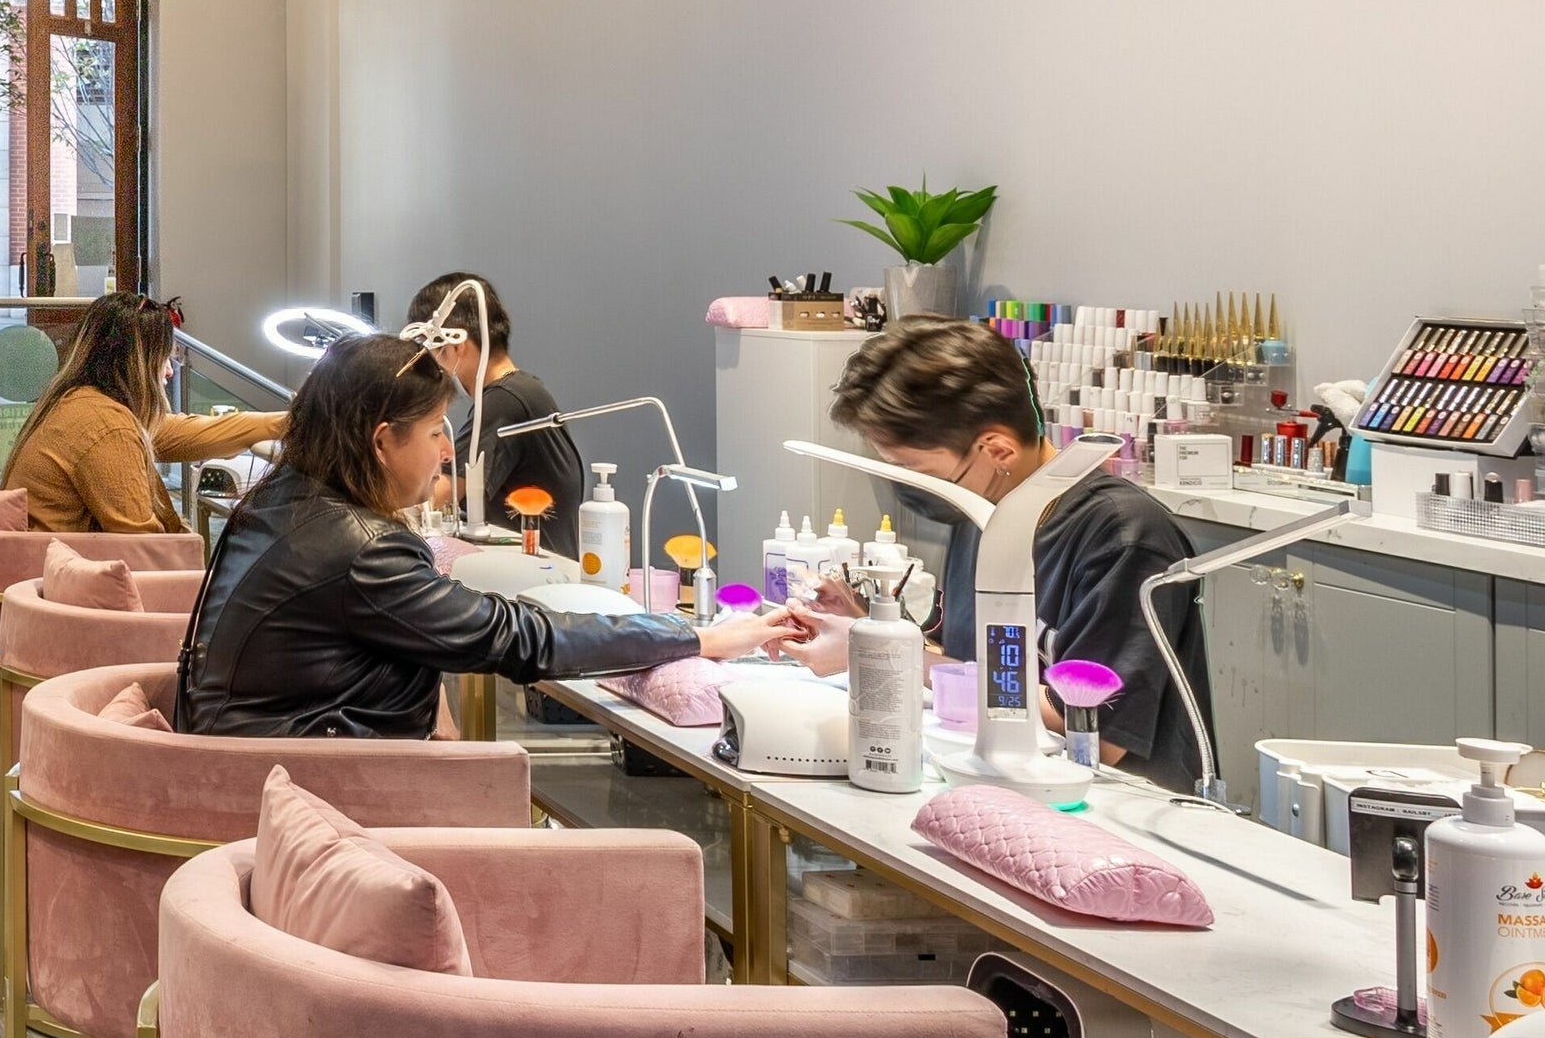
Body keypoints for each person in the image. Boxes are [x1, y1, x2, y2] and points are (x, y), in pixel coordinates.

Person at [177, 332, 817, 737]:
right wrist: (697, 636)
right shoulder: (363, 549)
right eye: (434, 432)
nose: (444, 454)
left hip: (244, 760)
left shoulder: (278, 501)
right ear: (381, 442)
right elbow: (518, 637)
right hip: (304, 790)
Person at [821, 317, 1213, 793]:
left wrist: (886, 655)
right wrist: (870, 624)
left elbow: (1096, 731)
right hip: (995, 786)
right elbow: (965, 660)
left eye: (915, 470)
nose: (908, 485)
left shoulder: (1124, 536)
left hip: (1107, 807)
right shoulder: (988, 510)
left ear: (998, 450)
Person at [0, 291, 282, 535]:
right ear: (139, 365)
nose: (169, 370)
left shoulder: (80, 403)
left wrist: (287, 422)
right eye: (164, 358)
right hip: (71, 585)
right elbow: (142, 542)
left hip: (43, 570)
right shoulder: (107, 426)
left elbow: (185, 431)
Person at [404, 271, 588, 556]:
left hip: (535, 579)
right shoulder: (523, 390)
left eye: (429, 349)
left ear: (456, 345)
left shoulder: (504, 401)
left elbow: (437, 494)